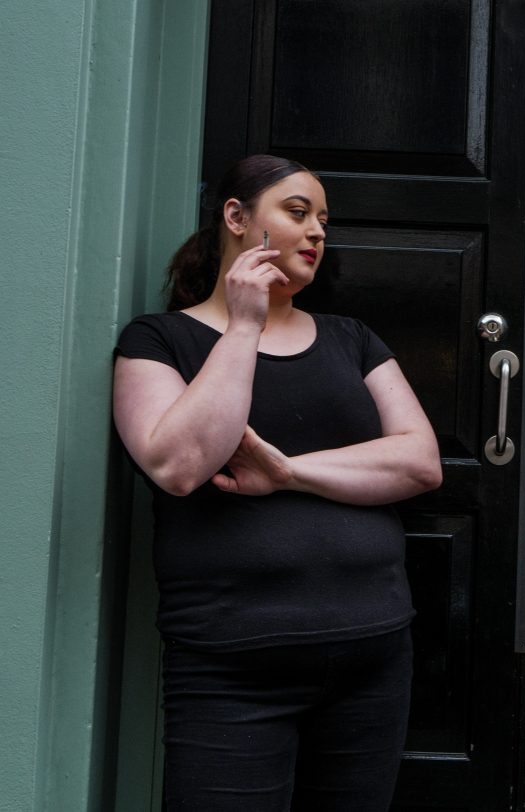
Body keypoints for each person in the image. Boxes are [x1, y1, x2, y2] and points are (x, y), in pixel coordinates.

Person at [113, 154, 442, 810]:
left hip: (370, 657)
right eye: (297, 213)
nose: (318, 231)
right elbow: (180, 466)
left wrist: (287, 474)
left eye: (323, 219)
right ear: (236, 217)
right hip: (230, 668)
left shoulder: (352, 340)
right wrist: (243, 325)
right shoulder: (159, 341)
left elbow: (418, 463)